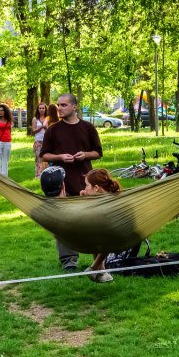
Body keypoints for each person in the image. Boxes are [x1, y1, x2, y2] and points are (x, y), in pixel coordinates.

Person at [40, 93, 103, 271]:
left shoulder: (88, 127)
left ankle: (98, 260)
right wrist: (60, 156)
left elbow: (98, 152)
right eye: (58, 105)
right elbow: (44, 154)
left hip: (87, 184)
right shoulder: (53, 130)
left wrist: (85, 155)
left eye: (64, 105)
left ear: (75, 107)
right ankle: (69, 260)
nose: (59, 108)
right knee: (63, 223)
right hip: (62, 184)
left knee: (92, 222)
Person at [81, 169, 121, 283]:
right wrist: (84, 198)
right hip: (100, 232)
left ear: (97, 188)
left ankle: (94, 268)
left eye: (87, 185)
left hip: (114, 233)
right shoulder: (100, 198)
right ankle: (101, 271)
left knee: (101, 235)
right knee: (94, 232)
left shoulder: (110, 202)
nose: (85, 188)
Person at [32, 103, 49, 177]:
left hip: (46, 141)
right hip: (38, 141)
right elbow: (33, 130)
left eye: (43, 108)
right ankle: (38, 174)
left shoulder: (47, 118)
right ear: (38, 109)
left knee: (46, 158)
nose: (41, 110)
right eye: (40, 108)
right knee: (38, 158)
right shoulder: (35, 119)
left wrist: (46, 127)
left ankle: (46, 173)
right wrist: (41, 127)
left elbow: (49, 130)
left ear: (45, 109)